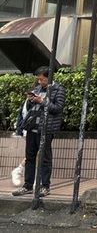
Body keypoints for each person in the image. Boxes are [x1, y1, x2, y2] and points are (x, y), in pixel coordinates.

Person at [12, 66, 66, 198]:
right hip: (32, 127)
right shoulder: (37, 89)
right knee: (30, 157)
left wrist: (42, 101)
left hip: (46, 128)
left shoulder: (58, 89)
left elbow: (58, 108)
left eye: (42, 79)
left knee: (45, 157)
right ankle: (27, 185)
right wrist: (31, 100)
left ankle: (45, 186)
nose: (40, 82)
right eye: (38, 80)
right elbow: (30, 108)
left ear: (49, 77)